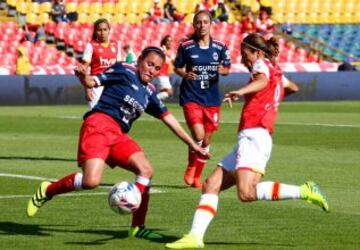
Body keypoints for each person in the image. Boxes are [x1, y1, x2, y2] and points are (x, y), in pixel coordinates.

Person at [27, 46, 210, 240]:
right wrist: (83, 77)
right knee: (91, 182)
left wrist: (193, 145)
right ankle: (48, 190)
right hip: (99, 125)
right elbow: (92, 81)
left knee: (146, 170)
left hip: (118, 135)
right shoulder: (124, 70)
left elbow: (169, 119)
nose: (151, 70)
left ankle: (137, 227)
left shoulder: (149, 91)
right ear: (139, 60)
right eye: (149, 64)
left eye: (157, 68)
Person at [166, 33, 329, 249]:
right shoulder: (276, 70)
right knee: (210, 185)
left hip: (255, 135)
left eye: (245, 54)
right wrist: (271, 100)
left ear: (257, 52)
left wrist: (241, 92)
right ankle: (195, 237)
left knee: (246, 193)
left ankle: (305, 191)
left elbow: (261, 80)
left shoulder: (261, 65)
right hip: (251, 136)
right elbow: (292, 88)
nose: (243, 59)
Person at [174, 10, 231, 188]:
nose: (202, 25)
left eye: (205, 22)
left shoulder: (220, 47)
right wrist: (185, 74)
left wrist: (218, 69)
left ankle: (197, 176)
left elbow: (227, 69)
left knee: (206, 141)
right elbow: (177, 67)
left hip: (212, 99)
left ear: (211, 24)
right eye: (198, 22)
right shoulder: (186, 46)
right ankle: (191, 166)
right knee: (198, 135)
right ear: (194, 25)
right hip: (191, 96)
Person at [78, 18, 121, 109]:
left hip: (112, 86)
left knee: (112, 117)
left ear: (109, 30)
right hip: (96, 86)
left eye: (105, 29)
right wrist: (87, 88)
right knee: (96, 115)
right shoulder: (91, 46)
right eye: (99, 30)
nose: (102, 33)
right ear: (95, 31)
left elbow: (119, 67)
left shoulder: (116, 45)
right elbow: (84, 69)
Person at [152, 35, 174, 101]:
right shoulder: (161, 50)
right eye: (168, 41)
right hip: (161, 74)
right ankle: (150, 101)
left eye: (171, 41)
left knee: (163, 93)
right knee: (169, 92)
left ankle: (158, 108)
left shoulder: (169, 52)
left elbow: (174, 61)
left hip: (165, 75)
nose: (170, 42)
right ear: (164, 42)